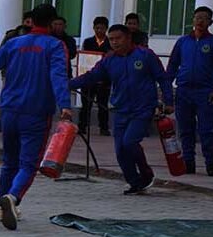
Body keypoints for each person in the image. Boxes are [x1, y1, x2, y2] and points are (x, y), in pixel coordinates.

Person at [0, 4, 71, 231]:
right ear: (51, 23)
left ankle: (4, 207)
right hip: (37, 112)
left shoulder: (13, 44)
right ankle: (12, 197)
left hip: (9, 110)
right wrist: (66, 105)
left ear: (31, 21)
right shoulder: (55, 45)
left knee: (9, 162)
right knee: (28, 164)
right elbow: (58, 75)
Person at [71, 25, 174, 194]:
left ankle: (146, 173)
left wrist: (169, 101)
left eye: (118, 38)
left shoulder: (145, 55)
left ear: (128, 38)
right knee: (120, 150)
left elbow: (162, 78)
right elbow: (92, 76)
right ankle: (134, 182)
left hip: (143, 109)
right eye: (111, 39)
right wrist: (66, 85)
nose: (114, 42)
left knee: (130, 142)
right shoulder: (109, 60)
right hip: (120, 110)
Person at [166, 6, 213, 176]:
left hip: (205, 93)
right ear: (193, 20)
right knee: (185, 129)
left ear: (210, 22)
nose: (200, 21)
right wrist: (166, 87)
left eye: (204, 18)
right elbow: (173, 65)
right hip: (183, 91)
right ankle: (188, 163)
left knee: (206, 130)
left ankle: (211, 164)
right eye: (197, 18)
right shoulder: (183, 42)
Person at [79, 16, 112, 136]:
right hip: (89, 77)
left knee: (103, 105)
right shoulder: (88, 42)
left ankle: (103, 128)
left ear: (106, 29)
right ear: (93, 28)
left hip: (104, 79)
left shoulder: (110, 43)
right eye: (97, 28)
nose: (99, 30)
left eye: (102, 28)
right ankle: (82, 126)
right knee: (86, 105)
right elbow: (84, 58)